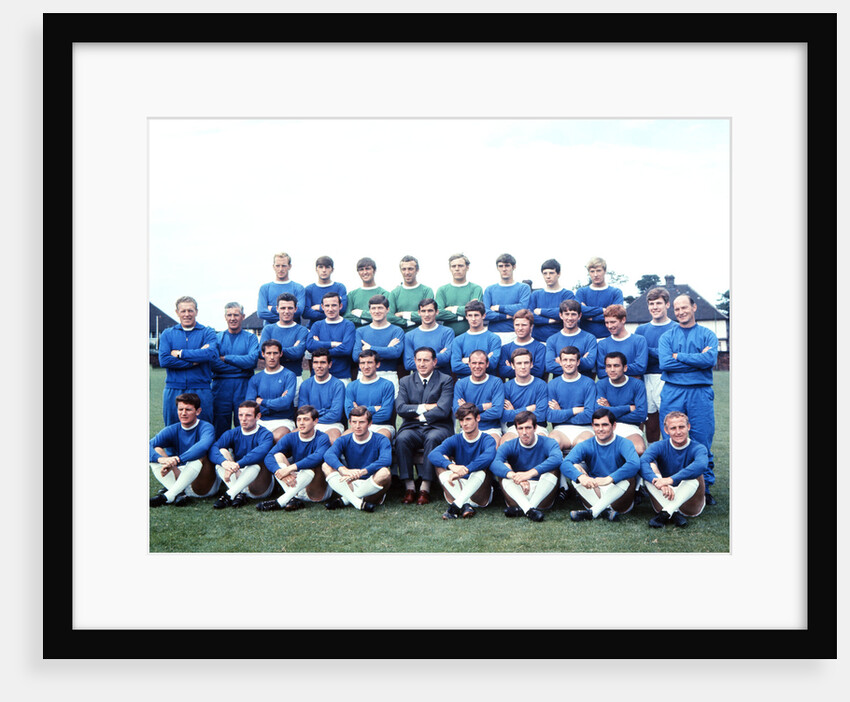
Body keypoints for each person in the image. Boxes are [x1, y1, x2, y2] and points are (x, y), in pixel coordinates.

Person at [658, 294, 719, 504]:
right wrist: (696, 361)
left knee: (701, 438)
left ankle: (705, 486)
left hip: (700, 392)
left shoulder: (707, 334)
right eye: (677, 309)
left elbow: (709, 359)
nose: (681, 312)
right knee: (670, 439)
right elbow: (665, 363)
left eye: (684, 307)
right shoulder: (667, 336)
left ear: (694, 307)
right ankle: (670, 484)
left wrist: (679, 356)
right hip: (673, 391)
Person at [394, 346, 455, 505]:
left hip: (438, 427)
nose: (422, 364)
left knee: (432, 438)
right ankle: (409, 486)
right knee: (402, 439)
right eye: (419, 360)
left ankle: (425, 487)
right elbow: (400, 408)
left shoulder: (445, 380)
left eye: (426, 360)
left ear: (434, 362)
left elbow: (443, 410)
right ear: (414, 361)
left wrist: (416, 413)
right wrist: (426, 407)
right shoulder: (405, 381)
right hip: (412, 428)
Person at [561, 408, 640, 522]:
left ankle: (593, 512)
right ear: (592, 426)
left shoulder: (624, 443)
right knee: (575, 469)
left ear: (614, 426)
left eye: (605, 425)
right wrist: (581, 477)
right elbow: (565, 464)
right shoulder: (587, 444)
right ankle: (601, 511)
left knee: (629, 476)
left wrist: (609, 479)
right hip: (595, 490)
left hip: (619, 493)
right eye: (596, 425)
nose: (600, 429)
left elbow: (634, 464)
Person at [256, 405, 334, 512]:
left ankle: (281, 501)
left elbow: (318, 457)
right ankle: (293, 498)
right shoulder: (290, 436)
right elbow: (269, 456)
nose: (301, 423)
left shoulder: (322, 437)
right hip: (297, 484)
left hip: (316, 491)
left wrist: (290, 468)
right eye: (299, 419)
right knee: (278, 456)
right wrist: (279, 472)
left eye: (306, 419)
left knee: (313, 464)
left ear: (315, 421)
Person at [427, 403, 497, 519]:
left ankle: (456, 507)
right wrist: (451, 466)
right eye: (461, 420)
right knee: (440, 464)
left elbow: (488, 456)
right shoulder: (455, 439)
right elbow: (433, 454)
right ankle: (463, 505)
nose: (464, 423)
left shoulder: (487, 439)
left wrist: (466, 469)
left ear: (478, 418)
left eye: (468, 419)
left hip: (478, 492)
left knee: (483, 466)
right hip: (456, 488)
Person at [158, 296, 218, 427]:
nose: (187, 314)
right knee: (172, 432)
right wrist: (194, 362)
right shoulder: (168, 334)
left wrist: (180, 354)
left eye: (190, 311)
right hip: (174, 388)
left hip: (201, 389)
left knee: (204, 429)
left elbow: (210, 354)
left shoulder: (207, 332)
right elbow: (164, 360)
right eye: (183, 311)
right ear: (177, 312)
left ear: (196, 311)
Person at [149, 392, 219, 507]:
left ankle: (169, 495)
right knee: (156, 450)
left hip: (203, 485)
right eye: (180, 409)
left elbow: (203, 446)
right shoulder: (172, 429)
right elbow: (148, 445)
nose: (183, 413)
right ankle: (178, 493)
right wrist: (161, 459)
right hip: (181, 479)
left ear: (198, 411)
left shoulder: (206, 427)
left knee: (201, 454)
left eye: (188, 410)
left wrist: (177, 460)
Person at [489, 411, 561, 522]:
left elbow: (557, 458)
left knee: (554, 469)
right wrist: (515, 476)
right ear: (516, 429)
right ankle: (530, 510)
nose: (524, 432)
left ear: (535, 427)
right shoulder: (510, 445)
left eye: (528, 428)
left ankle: (524, 509)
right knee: (503, 471)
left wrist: (528, 474)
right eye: (520, 428)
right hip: (518, 491)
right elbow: (495, 463)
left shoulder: (548, 442)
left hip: (542, 492)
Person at [640, 411, 708, 528]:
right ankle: (671, 513)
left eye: (681, 427)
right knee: (650, 470)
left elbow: (701, 465)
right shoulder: (659, 445)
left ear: (688, 427)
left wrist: (670, 480)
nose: (678, 432)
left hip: (689, 502)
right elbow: (642, 462)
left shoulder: (698, 448)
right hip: (664, 495)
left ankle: (666, 513)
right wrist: (660, 482)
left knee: (696, 473)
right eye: (673, 428)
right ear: (666, 430)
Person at [321, 406, 393, 512]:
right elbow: (328, 455)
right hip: (351, 482)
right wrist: (343, 469)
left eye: (362, 422)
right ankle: (357, 502)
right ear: (350, 423)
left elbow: (386, 460)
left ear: (369, 423)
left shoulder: (381, 439)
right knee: (325, 465)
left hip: (372, 483)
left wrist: (362, 472)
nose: (357, 426)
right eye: (354, 422)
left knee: (385, 472)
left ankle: (345, 500)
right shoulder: (344, 439)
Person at [209, 400, 275, 508]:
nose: (243, 419)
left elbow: (260, 452)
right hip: (238, 475)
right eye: (240, 415)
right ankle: (238, 493)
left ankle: (229, 495)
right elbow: (213, 449)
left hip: (259, 484)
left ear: (258, 416)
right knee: (222, 453)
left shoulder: (266, 434)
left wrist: (237, 464)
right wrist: (224, 463)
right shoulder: (232, 432)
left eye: (248, 415)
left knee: (259, 461)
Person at [210, 302, 260, 437]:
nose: (233, 318)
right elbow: (213, 363)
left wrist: (225, 358)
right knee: (220, 424)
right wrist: (240, 365)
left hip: (244, 385)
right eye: (229, 315)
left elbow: (251, 361)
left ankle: (242, 454)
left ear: (243, 316)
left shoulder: (251, 338)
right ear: (225, 317)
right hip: (221, 387)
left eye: (236, 315)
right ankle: (221, 455)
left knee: (245, 422)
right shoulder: (216, 338)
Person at [634, 287, 675, 442]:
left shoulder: (675, 328)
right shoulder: (641, 329)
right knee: (650, 421)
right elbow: (638, 356)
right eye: (651, 304)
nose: (655, 307)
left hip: (667, 378)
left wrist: (647, 350)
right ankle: (653, 456)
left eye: (659, 303)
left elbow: (670, 358)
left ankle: (670, 455)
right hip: (645, 378)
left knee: (668, 419)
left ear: (667, 305)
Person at [595, 351, 648, 456]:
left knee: (639, 449)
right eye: (609, 366)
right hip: (605, 427)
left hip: (630, 428)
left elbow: (641, 415)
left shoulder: (637, 385)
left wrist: (610, 410)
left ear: (625, 368)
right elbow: (598, 413)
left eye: (616, 366)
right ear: (605, 369)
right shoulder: (601, 384)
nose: (612, 369)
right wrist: (628, 408)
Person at [246, 340, 298, 442]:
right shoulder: (256, 378)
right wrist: (277, 402)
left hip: (283, 421)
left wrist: (262, 402)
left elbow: (286, 404)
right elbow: (250, 406)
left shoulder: (289, 376)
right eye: (269, 353)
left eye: (275, 353)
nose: (272, 357)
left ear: (281, 354)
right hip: (261, 420)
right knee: (249, 438)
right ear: (263, 354)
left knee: (275, 437)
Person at [547, 346, 596, 453]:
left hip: (585, 429)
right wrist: (574, 410)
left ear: (578, 362)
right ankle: (553, 470)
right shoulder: (553, 384)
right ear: (560, 362)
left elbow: (589, 416)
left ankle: (579, 469)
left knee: (581, 444)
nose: (568, 363)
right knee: (551, 443)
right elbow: (551, 416)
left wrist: (561, 413)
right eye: (565, 360)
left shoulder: (589, 383)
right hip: (561, 429)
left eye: (572, 360)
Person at [353, 294, 405, 390]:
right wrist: (387, 349)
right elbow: (356, 356)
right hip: (364, 376)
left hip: (388, 375)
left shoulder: (397, 331)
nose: (376, 311)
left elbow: (395, 353)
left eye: (380, 308)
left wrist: (370, 349)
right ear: (369, 311)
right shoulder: (361, 331)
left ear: (387, 309)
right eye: (373, 308)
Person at [500, 348, 549, 447]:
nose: (523, 367)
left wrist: (514, 412)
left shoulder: (541, 385)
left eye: (526, 363)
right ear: (512, 365)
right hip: (514, 427)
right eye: (519, 363)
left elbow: (541, 415)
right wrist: (528, 409)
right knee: (505, 442)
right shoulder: (506, 387)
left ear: (531, 364)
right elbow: (504, 416)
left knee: (542, 441)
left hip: (537, 426)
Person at [259, 293, 310, 388]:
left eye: (290, 308)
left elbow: (297, 353)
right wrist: (290, 350)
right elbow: (261, 353)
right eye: (283, 308)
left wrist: (273, 351)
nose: (286, 311)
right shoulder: (268, 329)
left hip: (295, 379)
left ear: (295, 309)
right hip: (271, 379)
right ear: (277, 309)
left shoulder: (302, 330)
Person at [296, 348, 346, 444]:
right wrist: (324, 411)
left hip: (332, 425)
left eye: (323, 362)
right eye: (316, 362)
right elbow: (302, 412)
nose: (319, 366)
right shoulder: (305, 384)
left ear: (329, 364)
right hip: (309, 423)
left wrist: (312, 416)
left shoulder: (338, 384)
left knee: (332, 440)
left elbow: (335, 415)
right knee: (291, 438)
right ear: (312, 364)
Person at [452, 350, 505, 439]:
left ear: (487, 364)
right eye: (474, 363)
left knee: (492, 446)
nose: (477, 366)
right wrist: (482, 407)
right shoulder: (461, 384)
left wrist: (468, 410)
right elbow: (457, 412)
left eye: (481, 363)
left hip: (491, 429)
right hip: (467, 429)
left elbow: (497, 412)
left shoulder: (496, 382)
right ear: (469, 364)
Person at [344, 350, 396, 440]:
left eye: (370, 362)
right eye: (363, 363)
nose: (366, 366)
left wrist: (359, 409)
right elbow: (349, 413)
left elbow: (385, 414)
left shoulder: (387, 385)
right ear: (359, 365)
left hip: (382, 426)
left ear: (377, 364)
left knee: (379, 439)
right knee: (342, 440)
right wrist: (373, 409)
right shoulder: (351, 386)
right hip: (357, 426)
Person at [305, 291, 356, 384]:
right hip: (318, 378)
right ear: (322, 307)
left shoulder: (348, 325)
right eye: (327, 306)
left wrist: (319, 349)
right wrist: (333, 344)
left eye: (334, 305)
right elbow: (309, 346)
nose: (330, 309)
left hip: (341, 377)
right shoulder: (317, 325)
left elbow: (346, 349)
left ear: (340, 306)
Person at [482, 253, 531, 343]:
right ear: (497, 268)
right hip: (494, 333)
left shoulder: (523, 288)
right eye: (501, 266)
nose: (504, 269)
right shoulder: (490, 289)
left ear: (514, 266)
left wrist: (499, 308)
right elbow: (486, 313)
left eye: (507, 266)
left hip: (515, 334)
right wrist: (506, 316)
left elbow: (522, 309)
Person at [544, 299, 598, 377]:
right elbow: (550, 366)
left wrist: (561, 362)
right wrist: (580, 360)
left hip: (582, 385)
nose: (570, 318)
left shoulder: (589, 338)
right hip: (560, 386)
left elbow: (590, 364)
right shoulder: (552, 340)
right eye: (567, 314)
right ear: (561, 315)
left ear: (579, 316)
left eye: (573, 314)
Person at [434, 253, 484, 336]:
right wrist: (462, 316)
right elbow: (438, 314)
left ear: (467, 267)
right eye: (454, 266)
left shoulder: (476, 288)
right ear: (450, 268)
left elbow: (476, 311)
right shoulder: (442, 290)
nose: (457, 269)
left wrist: (453, 309)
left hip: (472, 335)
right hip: (448, 336)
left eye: (460, 266)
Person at [574, 256, 624, 339]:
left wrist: (589, 317)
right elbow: (578, 312)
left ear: (605, 271)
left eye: (599, 271)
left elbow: (616, 315)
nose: (595, 274)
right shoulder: (581, 292)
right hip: (585, 339)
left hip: (609, 338)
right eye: (592, 271)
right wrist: (602, 310)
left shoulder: (616, 292)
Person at [403, 298, 455, 374]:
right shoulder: (409, 335)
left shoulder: (447, 332)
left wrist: (419, 362)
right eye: (423, 311)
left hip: (442, 380)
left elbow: (446, 358)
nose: (427, 314)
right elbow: (409, 364)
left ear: (437, 312)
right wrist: (437, 357)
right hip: (418, 382)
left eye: (430, 311)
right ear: (419, 313)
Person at [450, 300, 502, 378]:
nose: (473, 319)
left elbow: (492, 365)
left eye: (476, 315)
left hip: (488, 383)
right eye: (470, 315)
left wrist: (466, 360)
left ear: (483, 316)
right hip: (466, 384)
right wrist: (485, 360)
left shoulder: (494, 339)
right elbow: (455, 367)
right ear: (466, 317)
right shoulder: (458, 340)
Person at [595, 304, 648, 380]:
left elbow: (640, 368)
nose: (609, 326)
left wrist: (612, 371)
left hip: (634, 389)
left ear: (623, 320)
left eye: (613, 322)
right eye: (607, 322)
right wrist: (627, 374)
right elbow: (601, 372)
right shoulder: (602, 344)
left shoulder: (639, 340)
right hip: (611, 390)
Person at [530, 258, 575, 343]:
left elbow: (566, 314)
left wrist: (540, 311)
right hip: (537, 341)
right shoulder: (536, 295)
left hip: (561, 341)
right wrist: (549, 320)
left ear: (559, 274)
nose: (548, 276)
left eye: (551, 273)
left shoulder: (567, 294)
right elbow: (530, 316)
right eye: (545, 273)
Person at [256, 252, 306, 326]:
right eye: (278, 266)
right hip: (271, 332)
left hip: (293, 332)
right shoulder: (265, 288)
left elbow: (299, 311)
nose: (280, 269)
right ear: (273, 267)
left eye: (284, 266)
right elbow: (261, 313)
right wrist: (289, 316)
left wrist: (272, 309)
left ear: (289, 266)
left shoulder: (298, 288)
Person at [498, 309, 547, 380]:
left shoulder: (540, 348)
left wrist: (512, 368)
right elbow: (503, 371)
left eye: (524, 325)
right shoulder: (505, 348)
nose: (520, 328)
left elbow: (538, 372)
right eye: (517, 325)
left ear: (531, 326)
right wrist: (527, 369)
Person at [387, 255, 434, 330]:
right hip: (400, 336)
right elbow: (388, 317)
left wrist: (403, 314)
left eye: (410, 269)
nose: (407, 272)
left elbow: (428, 315)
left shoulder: (426, 291)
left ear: (417, 270)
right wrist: (407, 323)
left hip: (422, 335)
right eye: (404, 269)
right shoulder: (394, 293)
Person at [302, 255, 348, 328]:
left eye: (327, 267)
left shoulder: (340, 287)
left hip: (337, 327)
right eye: (321, 267)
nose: (324, 270)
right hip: (314, 328)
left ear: (332, 269)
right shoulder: (309, 289)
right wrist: (332, 313)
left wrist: (319, 307)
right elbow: (306, 313)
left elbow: (342, 309)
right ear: (316, 269)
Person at [344, 257, 389, 328]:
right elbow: (347, 316)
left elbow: (387, 316)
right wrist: (363, 321)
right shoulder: (352, 295)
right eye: (361, 269)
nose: (365, 272)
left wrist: (360, 313)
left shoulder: (384, 293)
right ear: (358, 272)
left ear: (374, 270)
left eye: (367, 268)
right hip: (358, 335)